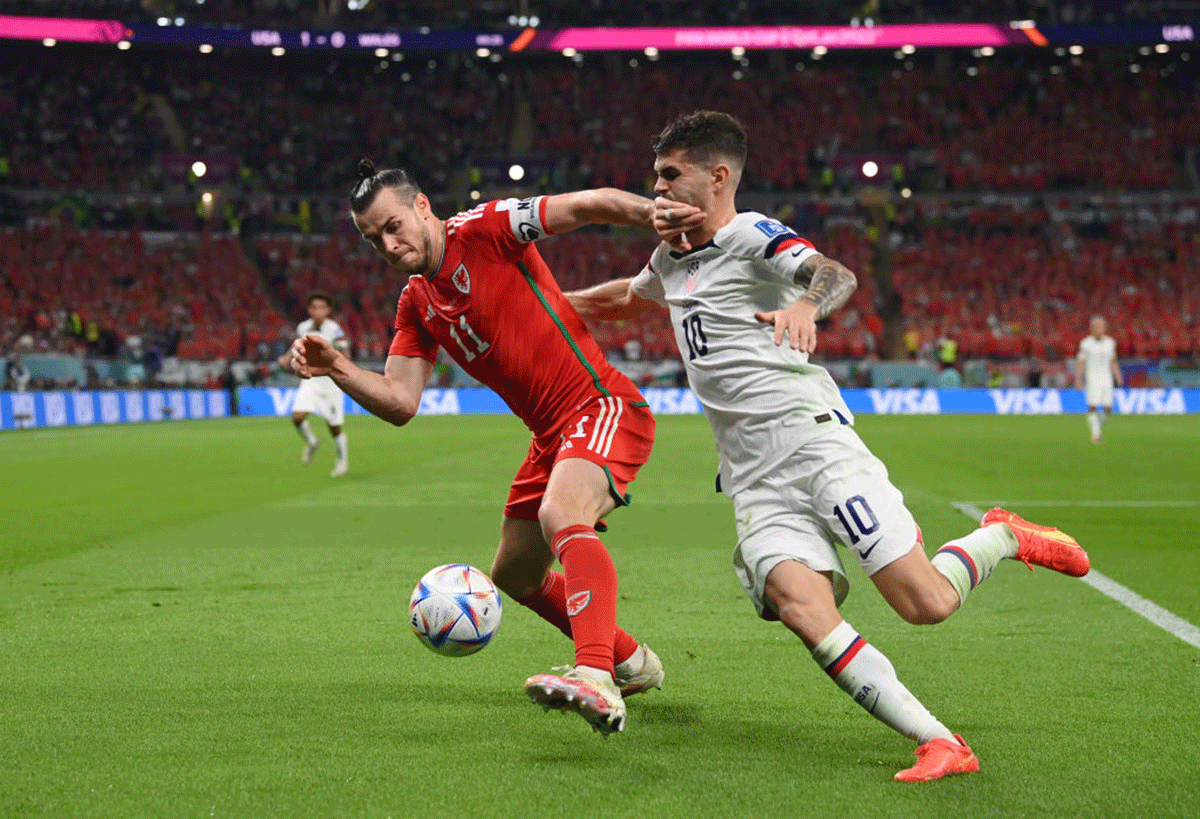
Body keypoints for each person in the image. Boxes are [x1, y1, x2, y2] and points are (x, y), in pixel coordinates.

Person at [566, 111, 1091, 781]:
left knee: (924, 602)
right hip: (753, 480)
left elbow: (833, 273)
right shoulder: (670, 258)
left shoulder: (751, 234)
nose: (658, 190)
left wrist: (807, 305)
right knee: (798, 603)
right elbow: (621, 300)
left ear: (718, 176)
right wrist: (538, 302)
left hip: (816, 447)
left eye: (671, 176)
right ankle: (938, 740)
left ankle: (1004, 536)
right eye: (657, 177)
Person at [287, 161, 664, 736]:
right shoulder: (416, 302)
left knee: (562, 513)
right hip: (549, 437)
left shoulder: (485, 228)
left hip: (600, 405)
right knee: (515, 574)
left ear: (421, 207)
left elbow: (585, 204)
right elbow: (400, 402)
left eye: (393, 226)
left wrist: (656, 217)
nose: (388, 245)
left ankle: (596, 677)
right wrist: (337, 366)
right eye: (372, 239)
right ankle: (629, 659)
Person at [278, 292, 351, 477]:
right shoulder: (303, 327)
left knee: (334, 426)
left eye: (322, 307)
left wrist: (343, 367)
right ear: (309, 310)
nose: (318, 311)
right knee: (297, 418)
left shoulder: (335, 329)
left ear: (328, 310)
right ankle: (312, 442)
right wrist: (286, 358)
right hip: (311, 379)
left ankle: (342, 462)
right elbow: (297, 345)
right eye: (314, 307)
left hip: (331, 382)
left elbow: (346, 353)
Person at [1073, 315, 1122, 443]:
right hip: (1092, 379)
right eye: (1095, 326)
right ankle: (1096, 435)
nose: (1098, 329)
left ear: (1105, 328)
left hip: (1107, 378)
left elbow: (1113, 361)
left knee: (1108, 407)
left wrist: (1118, 376)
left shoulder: (1110, 342)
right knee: (1092, 406)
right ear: (1091, 328)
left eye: (1101, 326)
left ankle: (1097, 429)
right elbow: (1081, 362)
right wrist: (1078, 379)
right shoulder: (1086, 343)